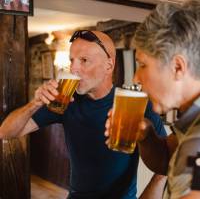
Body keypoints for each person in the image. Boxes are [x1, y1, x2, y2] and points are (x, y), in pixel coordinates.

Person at [0, 30, 166, 199]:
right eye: (72, 61)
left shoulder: (136, 103)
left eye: (84, 61)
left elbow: (165, 166)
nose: (74, 69)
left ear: (109, 65)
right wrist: (34, 104)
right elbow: (5, 132)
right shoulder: (66, 100)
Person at [105, 0, 200, 198]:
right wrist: (146, 135)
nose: (135, 77)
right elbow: (168, 158)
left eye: (143, 65)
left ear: (177, 67)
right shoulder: (192, 121)